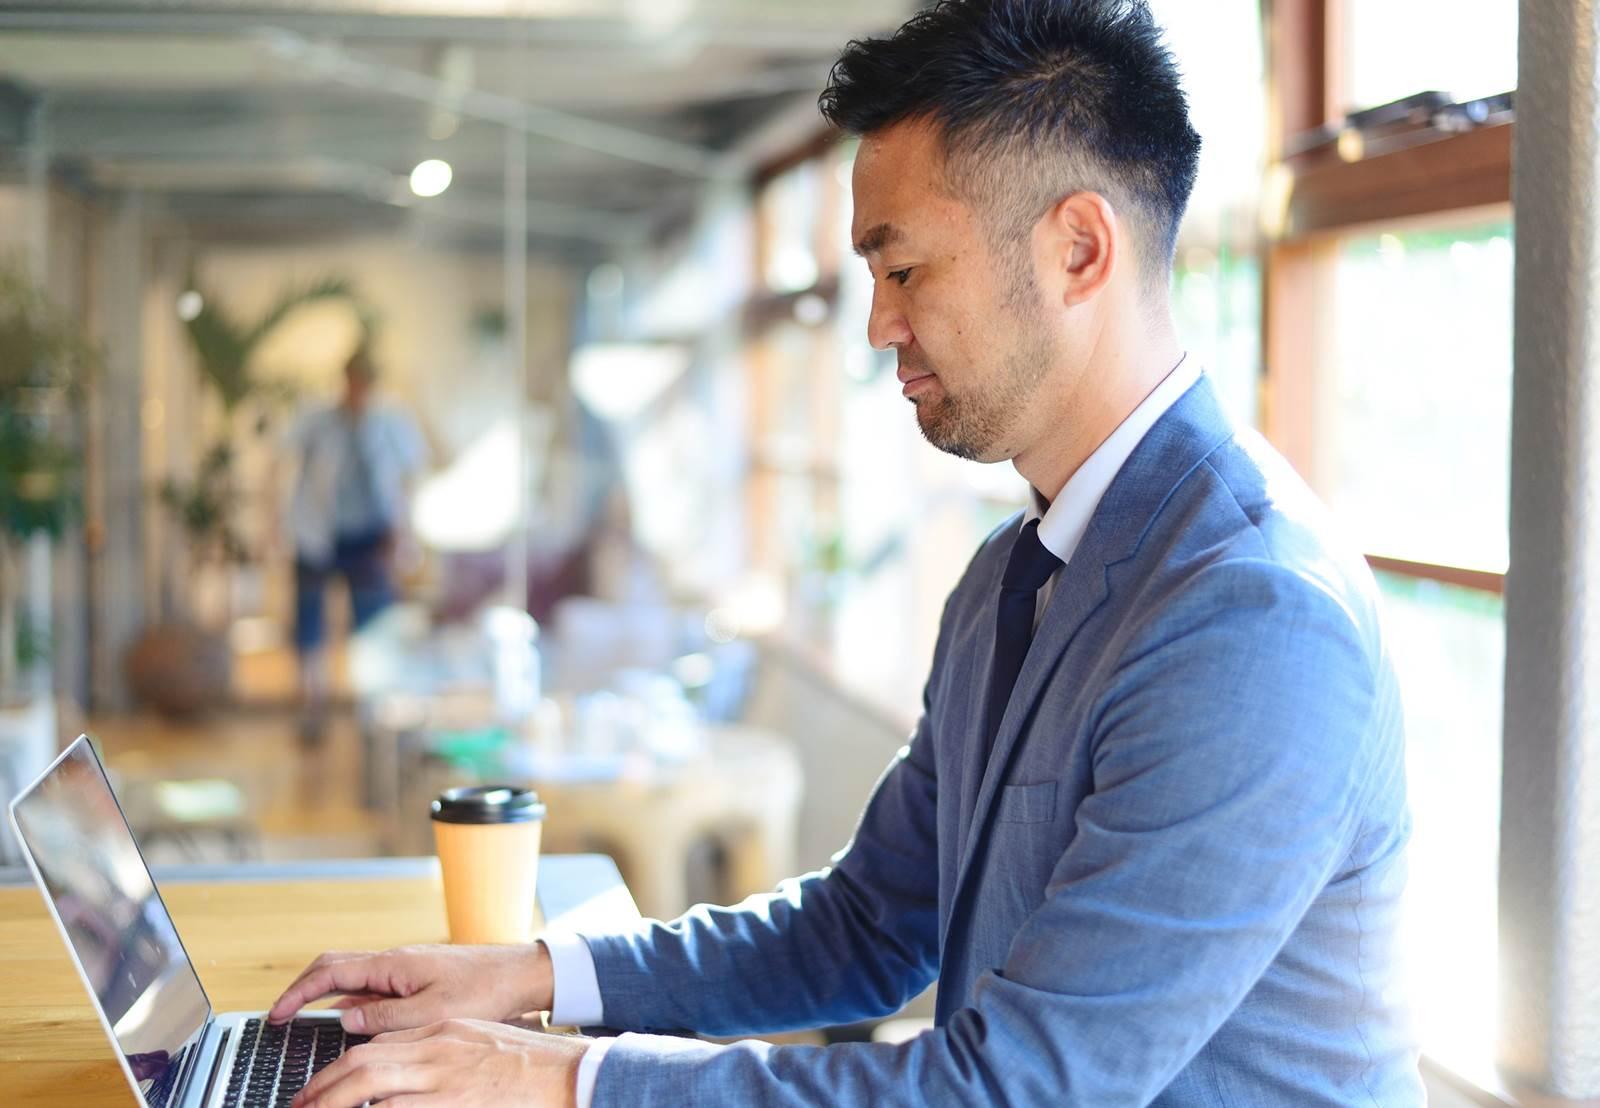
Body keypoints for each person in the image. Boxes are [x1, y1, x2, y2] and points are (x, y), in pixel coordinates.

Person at [270, 2, 1423, 1104]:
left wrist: (558, 1077)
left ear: (1078, 249)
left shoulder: (1250, 615)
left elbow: (1017, 1089)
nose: (877, 324)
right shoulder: (1008, 576)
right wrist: (532, 979)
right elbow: (869, 925)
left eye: (905, 267)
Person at [285, 346, 427, 743]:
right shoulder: (317, 420)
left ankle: (371, 715)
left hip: (369, 536)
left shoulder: (391, 421)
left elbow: (409, 477)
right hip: (319, 534)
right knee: (310, 624)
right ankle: (311, 706)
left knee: (372, 627)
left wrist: (404, 534)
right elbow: (287, 463)